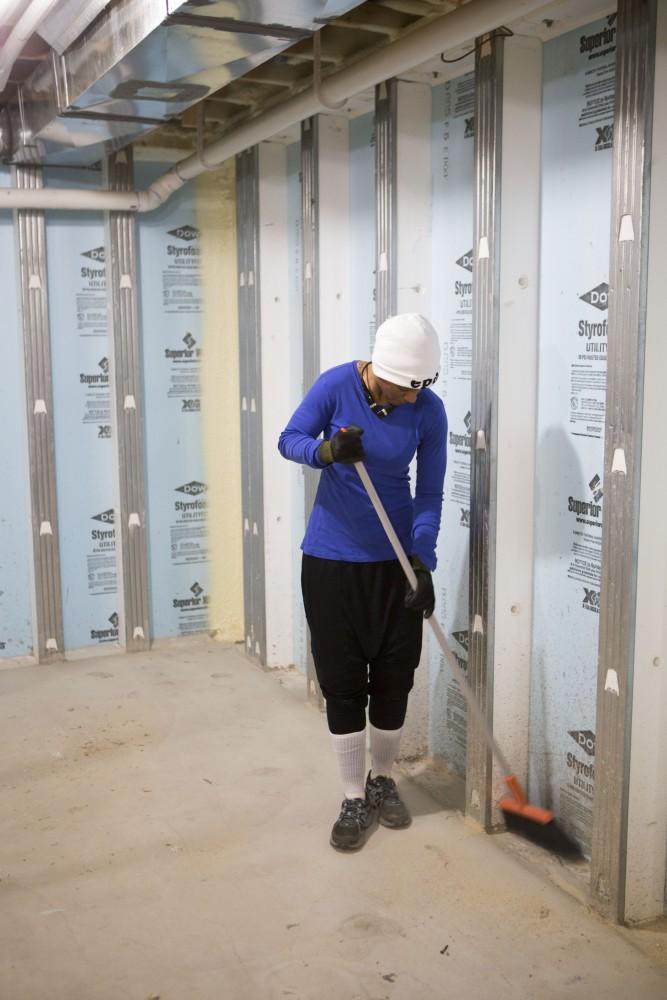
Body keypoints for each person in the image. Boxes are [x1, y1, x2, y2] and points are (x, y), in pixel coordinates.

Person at [278, 313, 447, 851]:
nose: (410, 399)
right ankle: (353, 794)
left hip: (394, 561)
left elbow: (430, 494)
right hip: (331, 560)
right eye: (403, 389)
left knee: (395, 677)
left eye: (420, 389)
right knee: (344, 678)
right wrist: (324, 452)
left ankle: (382, 779)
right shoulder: (336, 386)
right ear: (379, 371)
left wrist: (422, 560)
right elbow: (290, 439)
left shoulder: (428, 410)